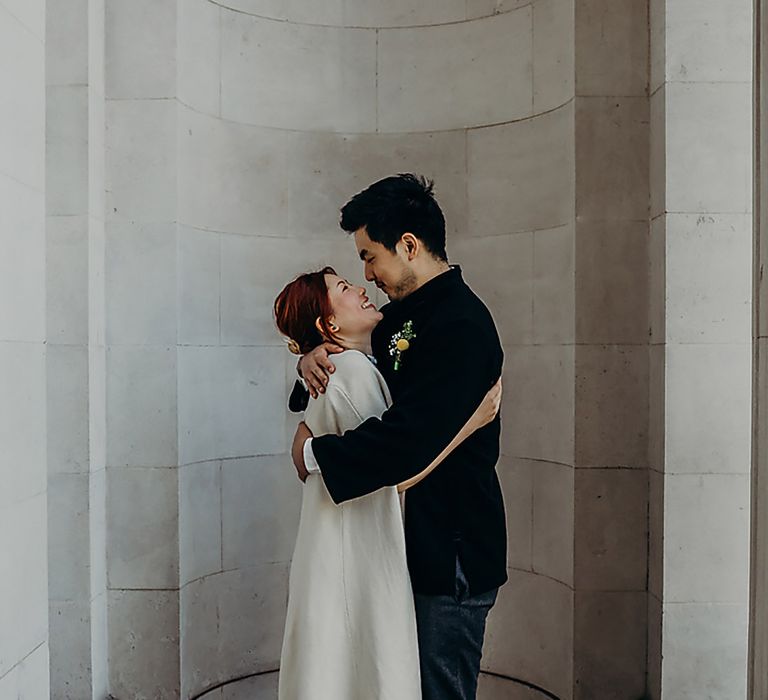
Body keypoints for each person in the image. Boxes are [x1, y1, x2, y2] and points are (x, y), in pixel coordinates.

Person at [290, 174, 507, 700]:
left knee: (439, 691)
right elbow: (342, 378)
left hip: (451, 551)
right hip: (403, 541)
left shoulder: (462, 324)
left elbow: (404, 445)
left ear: (408, 245)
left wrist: (312, 453)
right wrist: (309, 361)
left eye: (369, 256)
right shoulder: (393, 320)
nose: (366, 275)